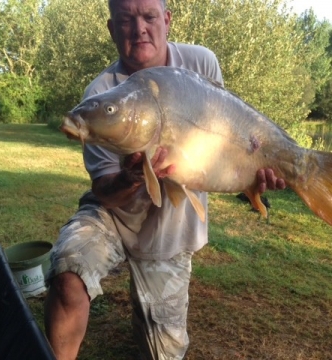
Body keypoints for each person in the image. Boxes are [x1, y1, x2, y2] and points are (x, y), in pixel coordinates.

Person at [44, 0, 286, 359]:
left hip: (170, 231)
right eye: (126, 20)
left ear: (167, 20)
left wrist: (256, 172)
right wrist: (132, 175)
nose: (139, 28)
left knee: (161, 355)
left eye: (149, 17)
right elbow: (104, 191)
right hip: (111, 216)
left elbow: (230, 142)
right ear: (112, 29)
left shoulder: (201, 63)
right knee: (68, 275)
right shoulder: (99, 94)